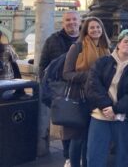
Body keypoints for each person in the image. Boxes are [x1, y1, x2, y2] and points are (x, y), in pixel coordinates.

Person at [85, 29, 128, 167]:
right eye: (125, 41)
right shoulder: (103, 62)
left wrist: (115, 109)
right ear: (118, 44)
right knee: (95, 153)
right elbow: (92, 84)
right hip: (100, 114)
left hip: (123, 117)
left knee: (123, 154)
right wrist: (106, 106)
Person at [62, 17, 110, 167]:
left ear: (102, 29)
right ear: (86, 30)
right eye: (92, 28)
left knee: (90, 138)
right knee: (77, 138)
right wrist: (90, 75)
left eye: (98, 27)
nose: (95, 30)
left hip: (97, 98)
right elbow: (67, 74)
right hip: (80, 97)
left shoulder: (107, 48)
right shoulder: (77, 47)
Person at [39, 10, 81, 167]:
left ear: (80, 21)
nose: (71, 22)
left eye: (74, 19)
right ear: (63, 23)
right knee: (66, 125)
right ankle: (68, 157)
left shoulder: (87, 39)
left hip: (81, 89)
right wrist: (48, 91)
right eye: (68, 20)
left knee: (82, 125)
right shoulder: (53, 40)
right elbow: (43, 66)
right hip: (61, 91)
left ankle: (79, 156)